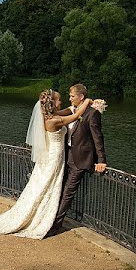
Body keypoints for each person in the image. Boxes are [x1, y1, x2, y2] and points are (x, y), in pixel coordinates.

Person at [0, 89, 95, 239]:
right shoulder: (53, 120)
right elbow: (75, 116)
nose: (61, 101)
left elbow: (67, 111)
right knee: (47, 184)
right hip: (54, 157)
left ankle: (42, 211)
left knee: (43, 184)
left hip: (50, 155)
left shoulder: (49, 116)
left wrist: (72, 107)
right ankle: (40, 216)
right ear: (52, 103)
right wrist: (87, 102)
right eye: (59, 100)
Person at [48, 83, 107, 237]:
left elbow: (98, 138)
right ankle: (49, 219)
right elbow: (52, 115)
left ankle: (55, 226)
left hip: (81, 159)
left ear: (81, 97)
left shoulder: (92, 113)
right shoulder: (71, 110)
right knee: (59, 189)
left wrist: (101, 160)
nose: (70, 98)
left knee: (68, 193)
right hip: (66, 156)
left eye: (72, 96)